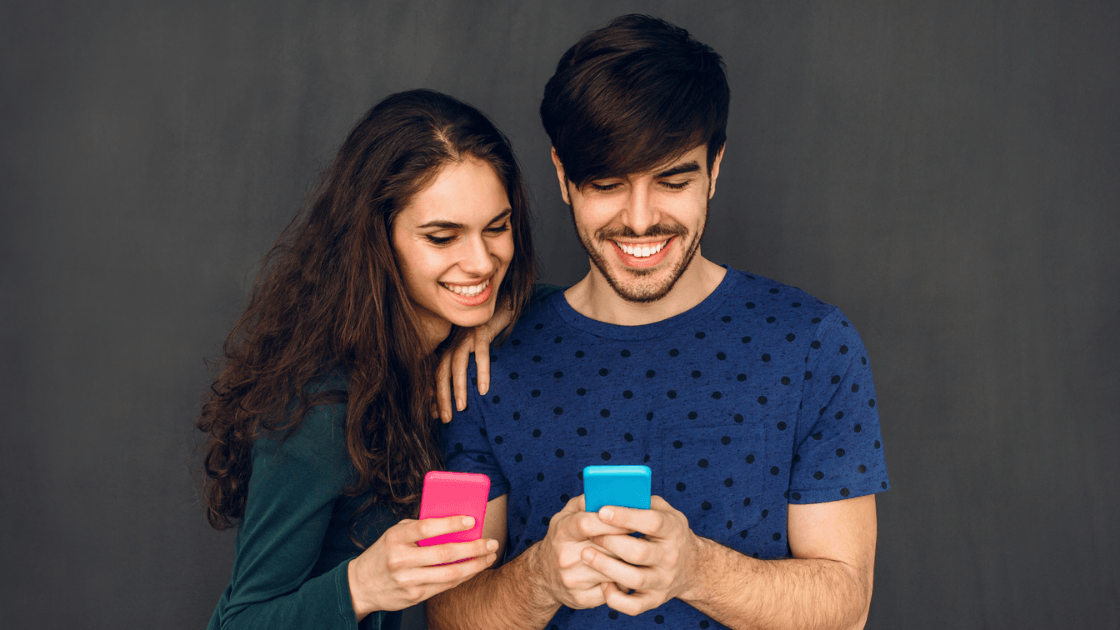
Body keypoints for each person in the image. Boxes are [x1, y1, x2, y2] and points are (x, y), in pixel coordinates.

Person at [428, 15, 889, 630]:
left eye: (672, 180)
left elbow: (846, 606)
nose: (640, 220)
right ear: (563, 176)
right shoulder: (484, 358)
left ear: (715, 167)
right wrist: (539, 579)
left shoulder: (813, 346)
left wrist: (695, 568)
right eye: (607, 184)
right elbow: (445, 614)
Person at [196, 89, 535, 630]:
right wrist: (363, 585)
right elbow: (241, 621)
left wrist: (503, 310)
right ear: (378, 239)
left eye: (497, 227)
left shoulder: (454, 336)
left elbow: (562, 301)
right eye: (442, 236)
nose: (480, 261)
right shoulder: (318, 408)